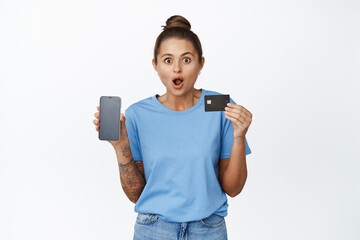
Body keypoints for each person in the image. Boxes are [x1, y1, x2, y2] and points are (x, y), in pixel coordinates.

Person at [93, 15, 252, 240]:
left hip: (208, 229)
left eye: (186, 60)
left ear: (201, 64)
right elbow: (136, 194)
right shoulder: (137, 114)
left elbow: (233, 188)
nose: (177, 69)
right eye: (168, 60)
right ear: (155, 65)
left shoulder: (220, 107)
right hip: (153, 229)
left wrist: (239, 136)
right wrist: (121, 146)